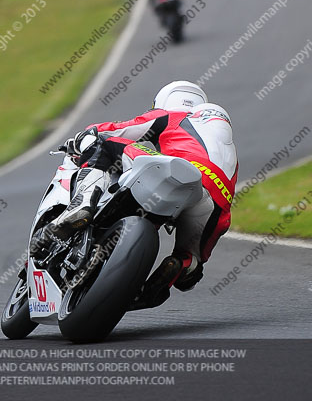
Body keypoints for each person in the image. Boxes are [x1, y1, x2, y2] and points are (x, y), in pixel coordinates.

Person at [49, 81, 238, 306]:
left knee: (102, 142)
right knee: (191, 262)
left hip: (176, 170)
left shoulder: (174, 116)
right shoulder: (227, 148)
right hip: (215, 202)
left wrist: (82, 138)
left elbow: (116, 130)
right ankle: (177, 267)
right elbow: (189, 284)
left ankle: (83, 204)